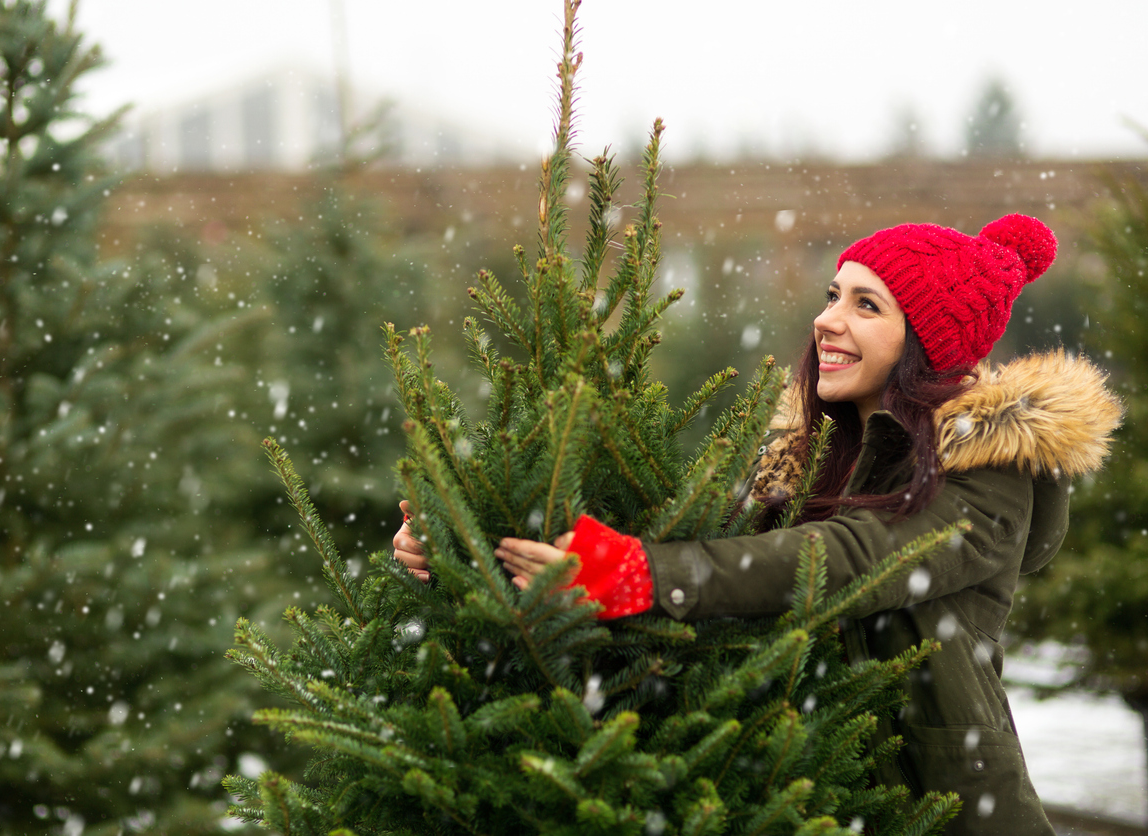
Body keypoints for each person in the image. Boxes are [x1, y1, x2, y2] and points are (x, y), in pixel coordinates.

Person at [392, 214, 1123, 835]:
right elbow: (699, 532)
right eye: (834, 294)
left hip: (943, 806)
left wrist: (647, 576)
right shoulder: (809, 454)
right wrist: (466, 539)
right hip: (805, 794)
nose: (829, 319)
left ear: (928, 345)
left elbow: (851, 558)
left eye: (868, 306)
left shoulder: (991, 474)